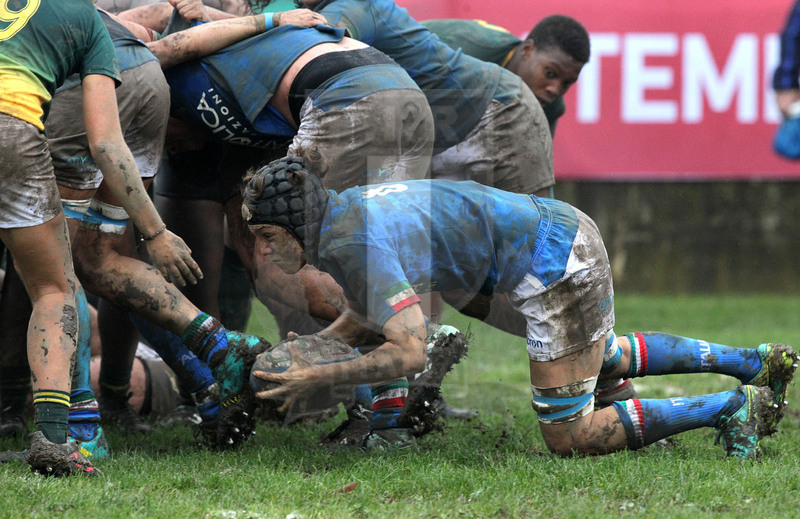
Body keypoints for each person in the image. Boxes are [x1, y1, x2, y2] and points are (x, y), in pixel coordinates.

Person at [241, 156, 797, 457]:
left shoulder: (347, 243)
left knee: (569, 435)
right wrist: (326, 344)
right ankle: (753, 362)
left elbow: (411, 351)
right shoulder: (344, 213)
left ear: (298, 227)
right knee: (595, 360)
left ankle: (729, 407)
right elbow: (374, 316)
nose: (263, 251)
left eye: (267, 236)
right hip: (552, 237)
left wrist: (320, 373)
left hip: (553, 264)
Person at [283, 0, 553, 197]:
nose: (556, 89)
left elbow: (315, 41)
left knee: (535, 237)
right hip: (433, 136)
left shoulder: (354, 7)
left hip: (500, 110)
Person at [421, 16, 589, 138]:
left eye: (567, 83)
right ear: (527, 50)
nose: (555, 89)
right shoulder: (467, 56)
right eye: (550, 73)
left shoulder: (549, 106)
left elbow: (536, 175)